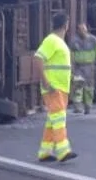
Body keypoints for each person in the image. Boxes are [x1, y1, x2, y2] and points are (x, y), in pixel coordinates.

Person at [33, 13, 78, 163]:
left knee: (53, 120)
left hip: (60, 87)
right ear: (66, 25)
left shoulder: (58, 42)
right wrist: (46, 82)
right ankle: (63, 150)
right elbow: (38, 58)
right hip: (53, 87)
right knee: (59, 118)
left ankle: (45, 152)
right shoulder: (52, 41)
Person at [69, 22, 96, 114]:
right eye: (80, 30)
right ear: (78, 31)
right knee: (78, 86)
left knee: (89, 87)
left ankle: (88, 106)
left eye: (84, 29)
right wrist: (71, 65)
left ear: (86, 30)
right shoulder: (74, 41)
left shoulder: (93, 40)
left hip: (90, 67)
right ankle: (77, 106)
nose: (83, 31)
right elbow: (70, 53)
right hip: (78, 67)